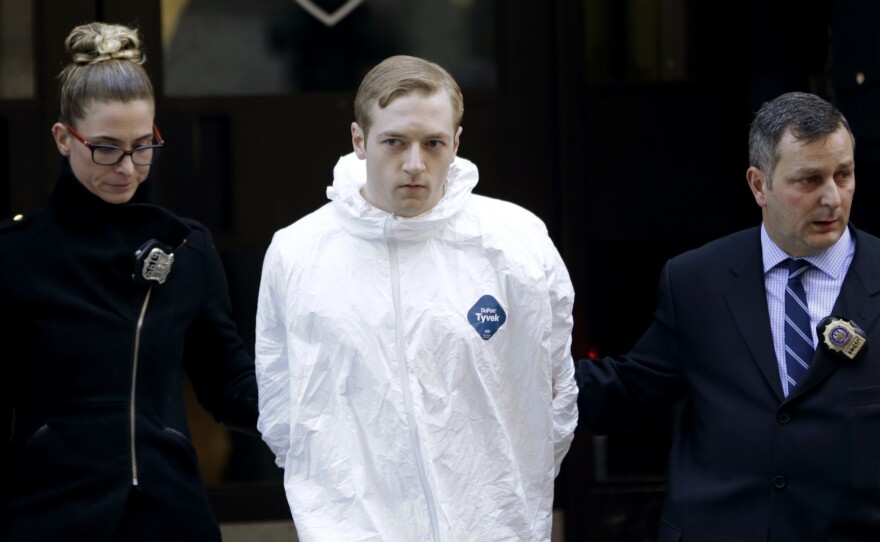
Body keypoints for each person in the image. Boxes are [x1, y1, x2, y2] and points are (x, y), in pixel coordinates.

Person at [255, 55, 578, 541]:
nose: (414, 163)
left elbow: (556, 393)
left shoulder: (515, 242)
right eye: (394, 142)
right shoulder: (298, 252)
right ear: (359, 141)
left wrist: (507, 498)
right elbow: (281, 404)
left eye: (433, 144)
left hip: (494, 526)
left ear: (457, 143)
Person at [576, 91, 880, 540]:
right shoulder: (697, 280)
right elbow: (632, 391)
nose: (832, 197)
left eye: (844, 174)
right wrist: (512, 371)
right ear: (759, 185)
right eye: (809, 180)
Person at [0, 22, 258, 541]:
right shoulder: (16, 254)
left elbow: (229, 386)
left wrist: (324, 409)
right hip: (47, 514)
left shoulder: (188, 249)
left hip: (170, 514)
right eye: (106, 148)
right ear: (62, 138)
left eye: (143, 146)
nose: (127, 167)